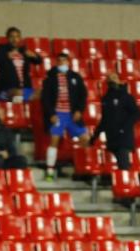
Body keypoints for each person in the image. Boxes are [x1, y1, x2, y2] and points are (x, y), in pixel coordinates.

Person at [40, 52, 90, 181]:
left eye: (64, 60)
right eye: (60, 60)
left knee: (85, 139)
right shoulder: (50, 79)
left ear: (69, 62)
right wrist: (51, 114)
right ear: (56, 63)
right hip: (58, 114)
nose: (62, 63)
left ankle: (82, 171)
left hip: (72, 115)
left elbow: (83, 96)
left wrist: (79, 110)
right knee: (54, 140)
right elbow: (45, 99)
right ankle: (49, 170)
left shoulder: (76, 77)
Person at [92, 73, 140, 170]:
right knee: (115, 168)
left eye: (114, 78)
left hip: (123, 139)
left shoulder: (126, 97)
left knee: (124, 166)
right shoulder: (106, 98)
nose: (112, 81)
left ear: (120, 80)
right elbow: (104, 119)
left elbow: (136, 113)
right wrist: (94, 137)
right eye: (109, 79)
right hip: (111, 138)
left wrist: (124, 128)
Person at [0, 26, 41, 103]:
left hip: (24, 88)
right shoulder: (2, 50)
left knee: (44, 93)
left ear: (20, 38)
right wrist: (5, 56)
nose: (15, 39)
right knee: (18, 94)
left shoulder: (24, 51)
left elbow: (39, 61)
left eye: (17, 37)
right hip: (5, 90)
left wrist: (34, 55)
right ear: (7, 38)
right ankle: (18, 110)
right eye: (12, 37)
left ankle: (23, 106)